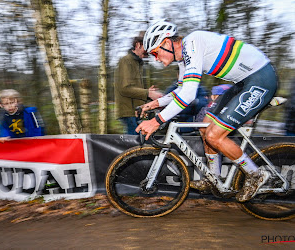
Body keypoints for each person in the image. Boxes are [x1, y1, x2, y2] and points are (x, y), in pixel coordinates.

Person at [136, 20, 278, 202]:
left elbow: (188, 95)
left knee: (214, 136)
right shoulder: (184, 60)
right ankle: (214, 178)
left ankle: (256, 174)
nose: (155, 58)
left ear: (166, 42)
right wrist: (155, 104)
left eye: (155, 52)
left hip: (260, 79)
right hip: (243, 83)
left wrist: (157, 121)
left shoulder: (192, 43)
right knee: (205, 127)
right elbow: (181, 90)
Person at [114, 32, 163, 135]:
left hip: (136, 112)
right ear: (138, 45)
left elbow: (134, 88)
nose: (148, 51)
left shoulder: (137, 63)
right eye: (146, 47)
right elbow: (124, 88)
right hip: (129, 112)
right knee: (135, 145)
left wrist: (148, 92)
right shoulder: (126, 61)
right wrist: (147, 93)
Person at [164, 62, 208, 133]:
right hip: (174, 124)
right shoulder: (172, 89)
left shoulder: (199, 88)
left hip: (191, 124)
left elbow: (204, 103)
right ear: (177, 75)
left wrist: (195, 102)